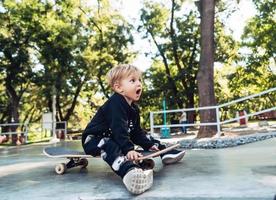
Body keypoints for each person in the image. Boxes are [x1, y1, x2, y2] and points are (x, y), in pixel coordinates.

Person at [82, 64, 186, 195]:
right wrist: (128, 149)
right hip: (94, 140)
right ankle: (128, 171)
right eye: (133, 80)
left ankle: (163, 151)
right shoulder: (115, 103)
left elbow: (136, 133)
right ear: (119, 88)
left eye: (139, 80)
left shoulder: (134, 109)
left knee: (145, 136)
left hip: (114, 137)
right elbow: (118, 129)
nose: (139, 84)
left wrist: (148, 144)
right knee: (108, 144)